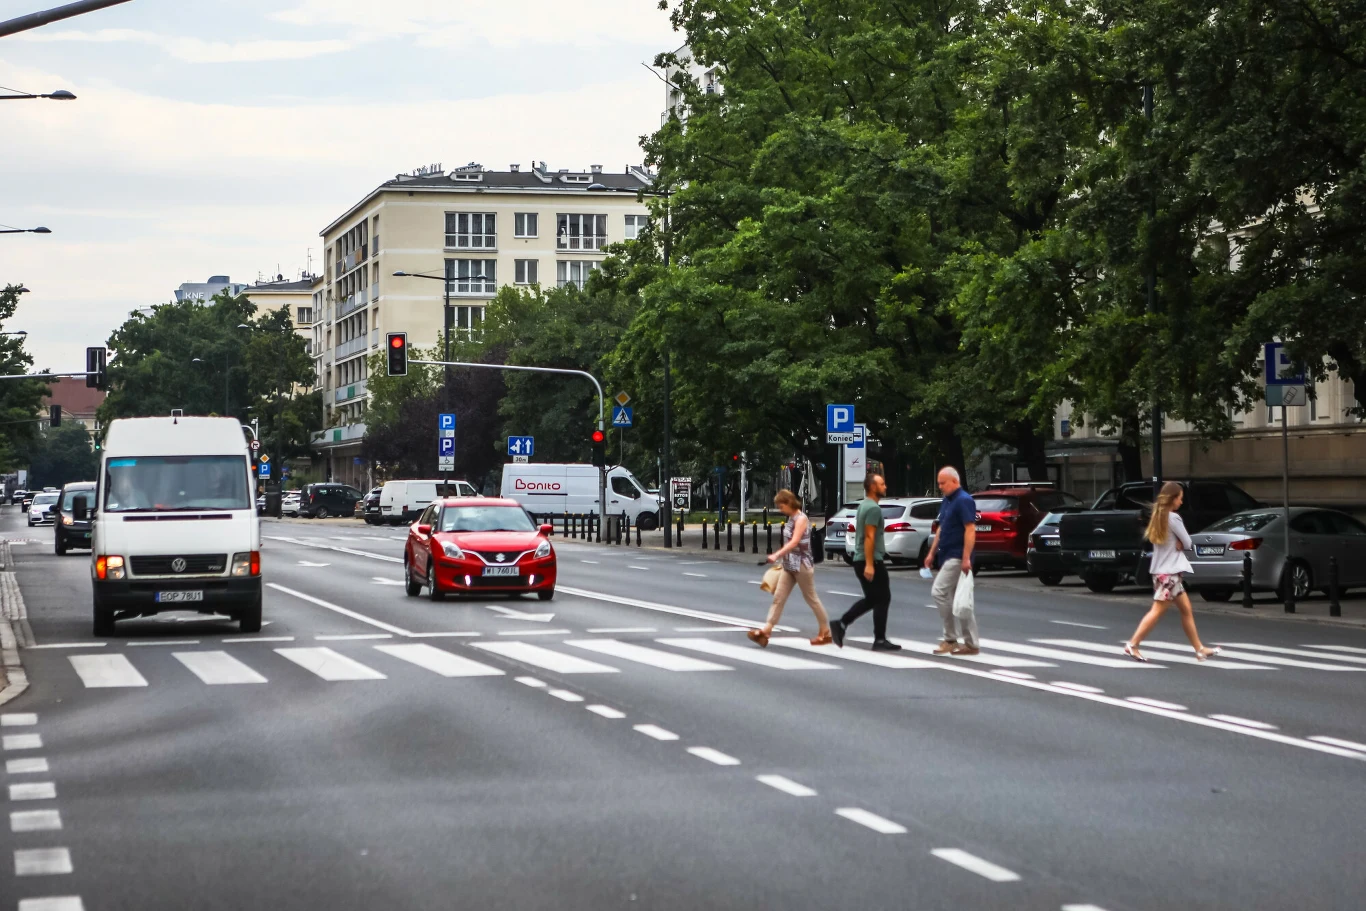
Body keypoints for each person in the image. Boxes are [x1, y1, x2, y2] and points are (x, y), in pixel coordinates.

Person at [1124, 482, 1221, 662]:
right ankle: (1133, 644)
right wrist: (1181, 543)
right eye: (1180, 498)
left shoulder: (1157, 516)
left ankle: (1199, 649)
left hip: (1163, 572)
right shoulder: (1173, 518)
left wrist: (1179, 543)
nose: (1181, 502)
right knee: (1157, 611)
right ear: (1173, 498)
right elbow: (1188, 542)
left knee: (1186, 610)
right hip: (1169, 574)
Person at [747, 489, 832, 648]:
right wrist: (782, 559)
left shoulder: (801, 519)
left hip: (802, 565)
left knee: (811, 599)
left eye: (781, 506)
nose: (780, 510)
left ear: (789, 503)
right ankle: (766, 631)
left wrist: (776, 555)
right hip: (789, 565)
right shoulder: (791, 518)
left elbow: (794, 542)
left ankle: (825, 632)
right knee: (778, 598)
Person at [829, 473, 902, 651]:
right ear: (872, 487)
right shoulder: (873, 509)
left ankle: (842, 624)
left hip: (861, 559)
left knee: (873, 599)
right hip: (870, 561)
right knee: (882, 598)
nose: (885, 487)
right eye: (882, 484)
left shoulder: (864, 505)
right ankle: (878, 639)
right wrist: (870, 564)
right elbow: (869, 537)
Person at [923, 466, 980, 656]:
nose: (940, 486)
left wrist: (966, 558)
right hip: (947, 555)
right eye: (938, 483)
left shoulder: (963, 500)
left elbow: (970, 529)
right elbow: (941, 528)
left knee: (938, 592)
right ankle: (971, 644)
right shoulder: (947, 501)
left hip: (957, 556)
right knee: (961, 602)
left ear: (955, 481)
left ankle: (950, 638)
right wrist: (931, 553)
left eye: (943, 483)